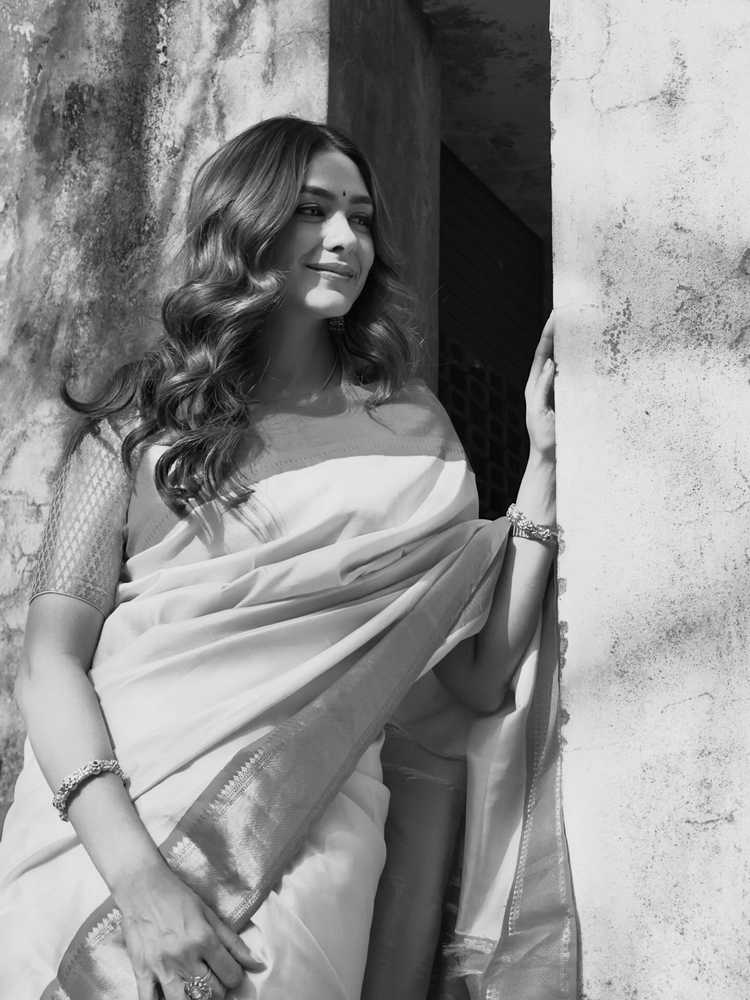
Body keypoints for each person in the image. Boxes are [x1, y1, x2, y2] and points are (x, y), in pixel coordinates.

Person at [0, 116, 572, 1000]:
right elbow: (48, 665)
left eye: (362, 217)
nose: (346, 239)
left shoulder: (411, 433)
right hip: (107, 838)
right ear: (245, 222)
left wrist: (544, 469)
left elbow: (474, 678)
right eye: (312, 210)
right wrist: (141, 883)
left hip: (309, 836)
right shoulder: (142, 427)